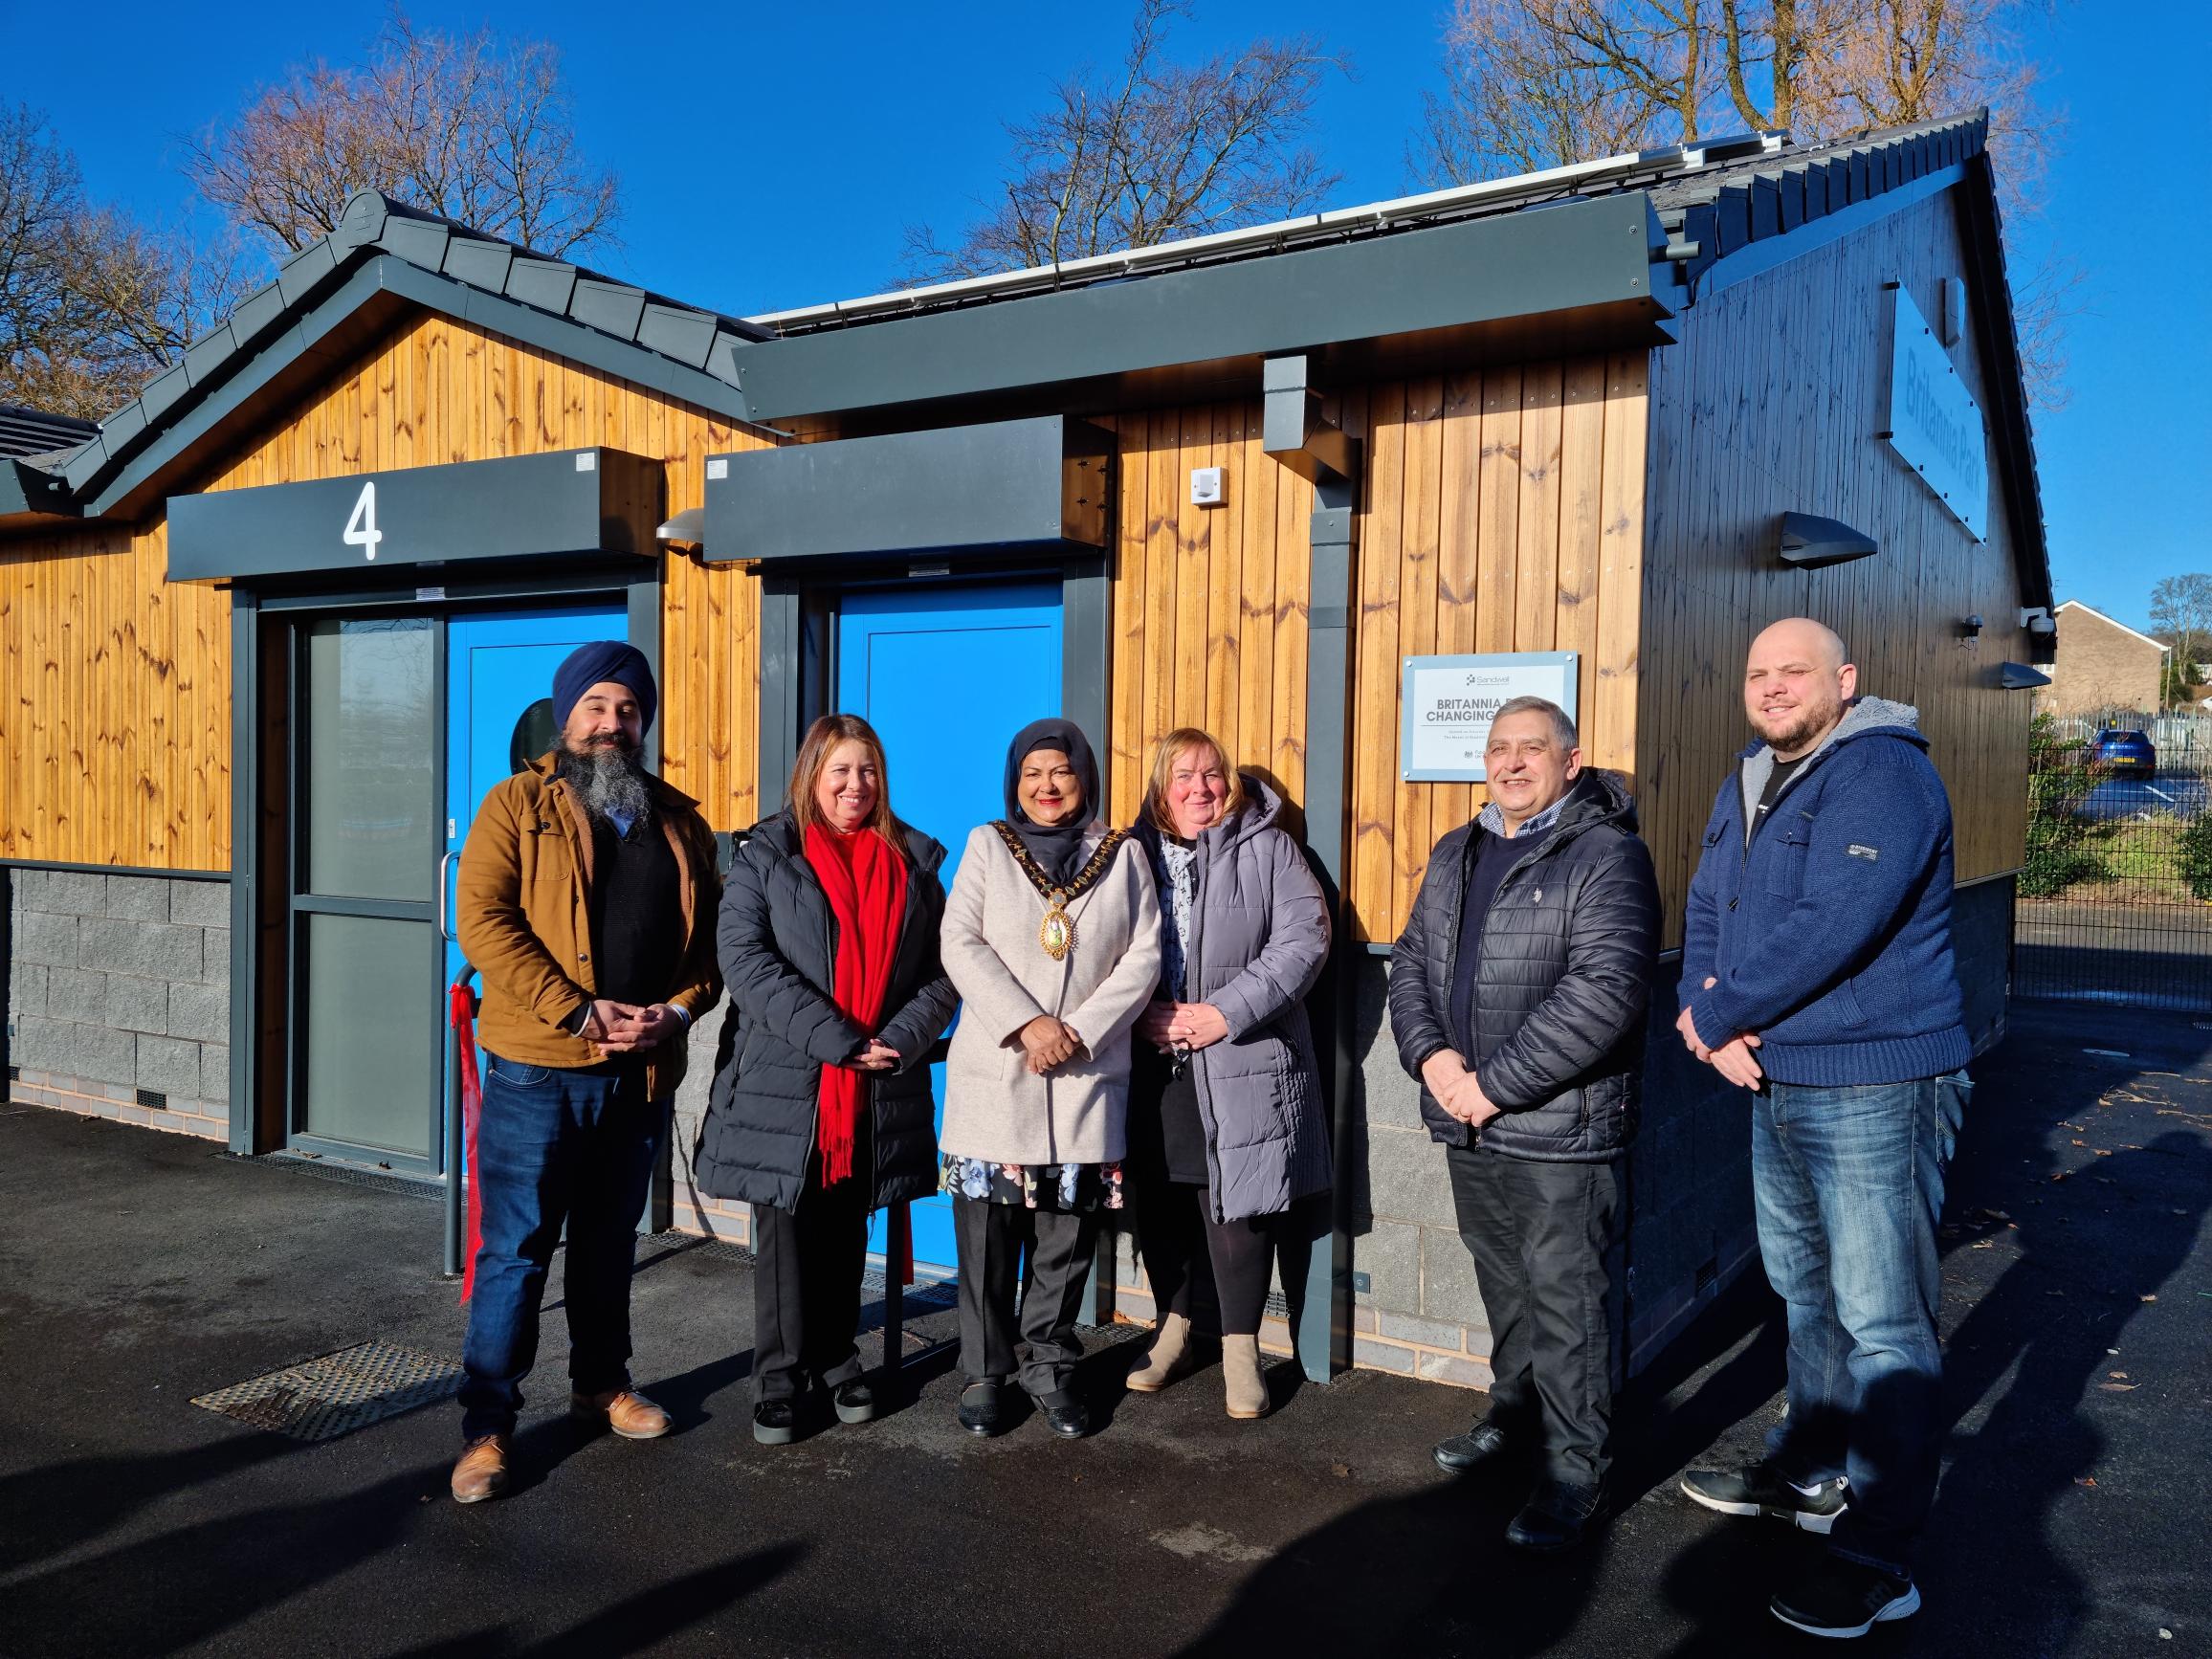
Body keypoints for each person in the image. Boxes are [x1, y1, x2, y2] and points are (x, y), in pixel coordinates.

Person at [1673, 618, 1972, 1640]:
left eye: (1791, 671)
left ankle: (1879, 1554)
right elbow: (1708, 908)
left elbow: (1832, 922)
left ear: (1842, 681)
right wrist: (1696, 1011)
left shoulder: (1881, 775)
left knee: (1882, 1321)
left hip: (1876, 1081)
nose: (1770, 687)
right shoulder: (1748, 779)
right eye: (1755, 673)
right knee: (1804, 1294)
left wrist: (1713, 1016)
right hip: (1775, 1077)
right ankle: (1810, 1472)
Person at [451, 641, 721, 1504]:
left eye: (629, 710)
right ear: (567, 717)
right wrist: (577, 1009)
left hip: (639, 1075)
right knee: (516, 1252)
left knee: (608, 1244)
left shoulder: (679, 820)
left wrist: (674, 1010)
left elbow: (713, 951)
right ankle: (488, 1427)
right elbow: (484, 922)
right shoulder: (517, 804)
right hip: (538, 1069)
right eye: (598, 707)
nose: (613, 724)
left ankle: (600, 1386)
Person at [1387, 696, 1659, 1552]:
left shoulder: (1606, 856)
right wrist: (1432, 1062)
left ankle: (1576, 1471)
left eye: (1530, 749)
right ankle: (1514, 1417)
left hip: (1558, 1131)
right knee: (1504, 1284)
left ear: (1569, 761)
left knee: (1567, 1301)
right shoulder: (1457, 850)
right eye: (1498, 748)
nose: (1510, 763)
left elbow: (1606, 992)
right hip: (1471, 1118)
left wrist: (1493, 1087)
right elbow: (1410, 966)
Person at [693, 715, 958, 1445]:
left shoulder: (912, 861)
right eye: (840, 770)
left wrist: (897, 1042)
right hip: (789, 1078)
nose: (855, 785)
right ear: (812, 775)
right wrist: (839, 1041)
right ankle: (778, 1377)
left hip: (873, 1078)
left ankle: (838, 1357)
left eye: (867, 771)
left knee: (846, 1221)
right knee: (784, 1226)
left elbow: (944, 973)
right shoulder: (767, 854)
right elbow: (746, 962)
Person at [938, 718, 1161, 1439]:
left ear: (1084, 777)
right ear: (1015, 783)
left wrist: (1080, 1032)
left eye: (1060, 771)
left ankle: (1051, 1364)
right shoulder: (986, 847)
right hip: (1000, 1069)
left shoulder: (1121, 855)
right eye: (1033, 774)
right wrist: (1029, 1024)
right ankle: (985, 1371)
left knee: (1066, 1238)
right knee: (988, 1238)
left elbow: (1145, 955)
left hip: (1086, 1073)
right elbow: (959, 941)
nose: (1047, 785)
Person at [1121, 728, 1331, 1421]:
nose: (1200, 788)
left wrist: (1224, 1013)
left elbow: (1306, 940)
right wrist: (1140, 1011)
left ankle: (1241, 1348)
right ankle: (1174, 1327)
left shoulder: (1267, 848)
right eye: (1184, 776)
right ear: (1161, 786)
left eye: (1212, 774)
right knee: (1161, 1197)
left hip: (1239, 1057)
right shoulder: (1131, 854)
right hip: (1152, 1060)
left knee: (1235, 1204)